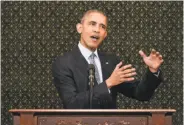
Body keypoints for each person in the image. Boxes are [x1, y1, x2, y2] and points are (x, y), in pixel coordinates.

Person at [52, 10, 163, 109]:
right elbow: (72, 104)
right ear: (79, 28)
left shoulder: (112, 61)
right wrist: (108, 83)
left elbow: (140, 94)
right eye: (92, 24)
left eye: (102, 27)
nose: (97, 30)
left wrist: (152, 71)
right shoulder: (63, 63)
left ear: (105, 34)